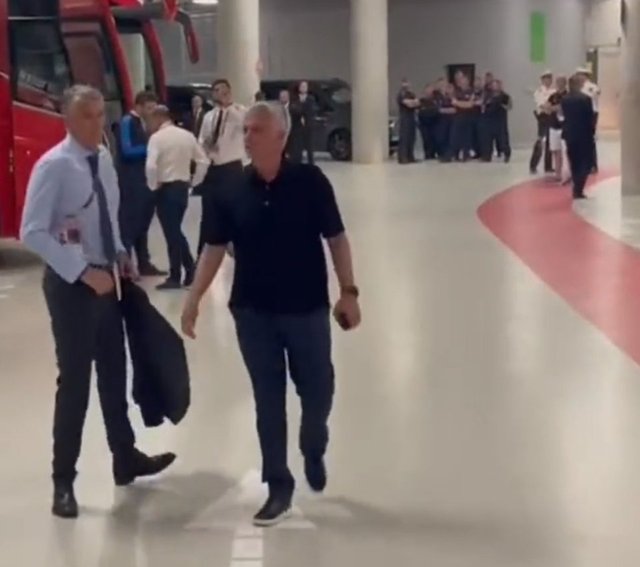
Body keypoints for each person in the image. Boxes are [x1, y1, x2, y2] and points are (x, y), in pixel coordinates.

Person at [181, 102, 361, 527]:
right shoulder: (229, 190)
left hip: (306, 310)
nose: (248, 137)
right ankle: (278, 484)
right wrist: (194, 298)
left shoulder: (310, 182)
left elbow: (336, 239)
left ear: (282, 137)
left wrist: (349, 292)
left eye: (257, 130)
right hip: (253, 312)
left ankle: (313, 443)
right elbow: (213, 248)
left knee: (318, 389)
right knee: (268, 398)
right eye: (245, 129)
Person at [20, 85, 176, 519]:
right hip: (72, 287)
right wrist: (82, 271)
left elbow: (107, 216)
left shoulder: (103, 159)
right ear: (68, 120)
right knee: (75, 382)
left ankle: (124, 457)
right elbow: (32, 230)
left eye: (99, 114)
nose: (95, 123)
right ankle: (63, 481)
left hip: (108, 281)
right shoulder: (54, 166)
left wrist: (121, 253)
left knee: (113, 372)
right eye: (86, 116)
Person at [146, 105, 209, 290]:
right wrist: (195, 181)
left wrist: (153, 184)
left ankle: (178, 275)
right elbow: (203, 160)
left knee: (172, 233)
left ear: (158, 117)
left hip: (165, 189)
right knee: (175, 231)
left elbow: (150, 165)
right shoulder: (187, 136)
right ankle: (189, 270)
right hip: (182, 188)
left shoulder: (157, 138)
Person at [117, 90, 165, 277]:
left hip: (144, 179)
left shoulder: (145, 124)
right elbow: (127, 150)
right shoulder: (127, 122)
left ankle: (144, 262)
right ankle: (127, 265)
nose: (153, 111)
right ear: (139, 107)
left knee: (143, 222)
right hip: (130, 181)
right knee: (129, 223)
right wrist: (151, 148)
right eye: (149, 108)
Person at [197, 78, 246, 256]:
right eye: (216, 90)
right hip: (213, 169)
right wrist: (205, 146)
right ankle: (202, 256)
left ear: (229, 91)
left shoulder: (240, 112)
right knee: (208, 214)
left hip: (232, 168)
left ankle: (239, 251)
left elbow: (244, 125)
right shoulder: (209, 116)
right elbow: (201, 139)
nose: (220, 93)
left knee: (234, 211)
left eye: (223, 90)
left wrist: (229, 106)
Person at [561, 75, 595, 200]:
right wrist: (592, 132)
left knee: (574, 160)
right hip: (583, 134)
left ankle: (576, 186)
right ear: (578, 84)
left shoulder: (564, 99)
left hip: (570, 133)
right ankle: (578, 188)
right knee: (585, 161)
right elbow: (589, 118)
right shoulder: (585, 99)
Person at [529, 71, 555, 175]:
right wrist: (550, 107)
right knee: (540, 141)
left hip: (552, 117)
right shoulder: (539, 91)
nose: (548, 80)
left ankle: (548, 166)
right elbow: (541, 104)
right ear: (542, 80)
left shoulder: (554, 91)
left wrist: (551, 107)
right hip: (543, 117)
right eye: (546, 78)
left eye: (550, 78)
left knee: (550, 142)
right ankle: (533, 165)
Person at [577, 66, 601, 173]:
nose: (579, 77)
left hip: (591, 113)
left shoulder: (591, 86)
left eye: (580, 75)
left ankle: (593, 164)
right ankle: (584, 163)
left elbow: (596, 93)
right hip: (580, 114)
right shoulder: (577, 87)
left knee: (590, 139)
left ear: (585, 76)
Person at [482, 80, 512, 163]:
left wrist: (502, 105)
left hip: (500, 121)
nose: (495, 87)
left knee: (503, 139)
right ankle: (487, 156)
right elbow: (483, 106)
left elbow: (509, 106)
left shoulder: (505, 96)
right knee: (488, 139)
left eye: (496, 85)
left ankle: (506, 154)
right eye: (493, 85)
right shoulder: (488, 96)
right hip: (489, 120)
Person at [448, 73, 475, 162]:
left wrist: (459, 103)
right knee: (454, 136)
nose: (462, 82)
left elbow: (470, 105)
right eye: (460, 80)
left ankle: (466, 155)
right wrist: (462, 104)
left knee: (467, 137)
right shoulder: (456, 91)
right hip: (457, 117)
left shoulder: (471, 91)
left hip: (468, 117)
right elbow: (453, 102)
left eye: (463, 80)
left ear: (467, 81)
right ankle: (454, 155)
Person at [547, 76, 569, 182]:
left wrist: (555, 108)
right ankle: (558, 172)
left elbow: (564, 108)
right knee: (556, 150)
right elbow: (547, 108)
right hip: (553, 125)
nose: (559, 84)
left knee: (567, 151)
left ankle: (568, 172)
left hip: (564, 126)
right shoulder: (553, 96)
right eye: (558, 82)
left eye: (561, 82)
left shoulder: (568, 96)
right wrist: (554, 108)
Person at [396, 79, 419, 164]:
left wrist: (412, 102)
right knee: (404, 138)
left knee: (411, 137)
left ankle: (410, 156)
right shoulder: (401, 94)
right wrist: (412, 102)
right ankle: (403, 157)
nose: (406, 85)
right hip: (404, 117)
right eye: (404, 83)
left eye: (407, 83)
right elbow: (407, 104)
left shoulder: (411, 94)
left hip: (412, 117)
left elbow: (417, 103)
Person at [296, 81, 316, 164]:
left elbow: (311, 111)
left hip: (308, 125)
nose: (303, 88)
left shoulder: (311, 99)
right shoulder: (296, 98)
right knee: (298, 146)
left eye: (305, 86)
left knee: (309, 147)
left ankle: (311, 163)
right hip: (298, 126)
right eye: (302, 86)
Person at [418, 84, 440, 160]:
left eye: (431, 90)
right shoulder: (422, 101)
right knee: (426, 139)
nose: (429, 92)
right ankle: (428, 154)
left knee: (434, 139)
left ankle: (434, 153)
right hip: (424, 123)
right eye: (428, 90)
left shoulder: (435, 100)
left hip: (434, 123)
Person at [436, 82, 456, 161]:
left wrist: (444, 110)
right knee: (442, 138)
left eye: (450, 88)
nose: (448, 90)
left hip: (452, 121)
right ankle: (443, 154)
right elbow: (438, 109)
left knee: (450, 138)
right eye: (447, 88)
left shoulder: (454, 98)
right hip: (443, 121)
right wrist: (446, 110)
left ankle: (448, 155)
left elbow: (455, 110)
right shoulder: (442, 98)